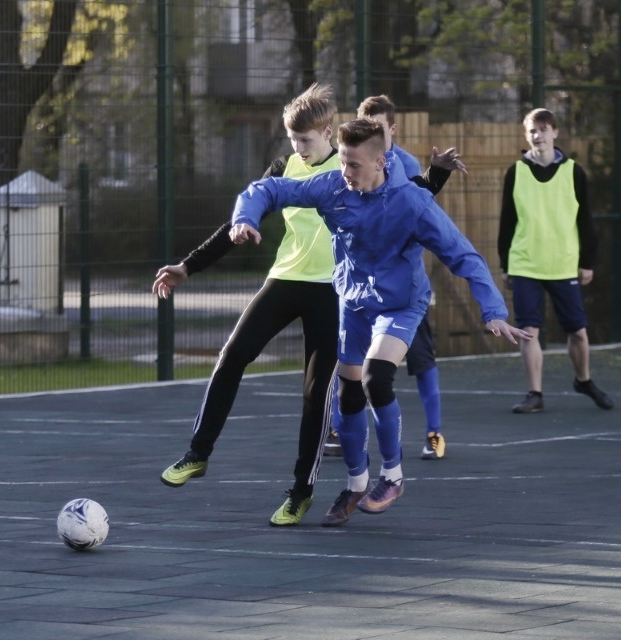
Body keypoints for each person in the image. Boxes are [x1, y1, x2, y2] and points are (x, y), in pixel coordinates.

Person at [156, 84, 464, 528]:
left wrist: (438, 174)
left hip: (333, 292)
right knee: (232, 355)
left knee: (315, 393)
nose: (296, 148)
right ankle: (197, 453)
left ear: (328, 132)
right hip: (285, 280)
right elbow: (243, 215)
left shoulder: (353, 168)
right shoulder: (285, 167)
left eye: (304, 140)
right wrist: (188, 266)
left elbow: (408, 200)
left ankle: (301, 491)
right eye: (292, 140)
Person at [230, 118, 531, 528]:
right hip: (353, 303)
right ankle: (356, 483)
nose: (345, 172)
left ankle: (392, 476)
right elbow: (269, 188)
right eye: (343, 163)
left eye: (354, 165)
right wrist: (244, 217)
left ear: (381, 162)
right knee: (348, 395)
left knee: (376, 378)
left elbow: (466, 257)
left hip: (400, 304)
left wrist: (493, 311)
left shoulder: (411, 202)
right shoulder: (333, 186)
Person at [347, 94, 456, 461]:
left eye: (379, 127)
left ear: (392, 129)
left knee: (422, 359)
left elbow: (421, 212)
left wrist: (436, 175)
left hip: (403, 288)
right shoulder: (349, 168)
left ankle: (435, 433)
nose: (374, 133)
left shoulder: (406, 165)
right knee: (349, 360)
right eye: (367, 127)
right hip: (362, 288)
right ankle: (337, 428)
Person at [497, 108, 614, 414]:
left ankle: (584, 380)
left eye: (544, 129)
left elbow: (586, 220)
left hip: (563, 263)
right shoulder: (516, 172)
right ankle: (534, 393)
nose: (539, 135)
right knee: (529, 331)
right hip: (525, 263)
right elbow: (507, 222)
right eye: (533, 131)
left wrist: (587, 261)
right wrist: (506, 265)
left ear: (555, 132)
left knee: (578, 331)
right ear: (527, 136)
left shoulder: (574, 172)